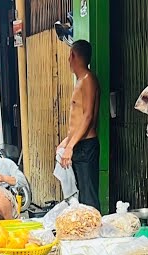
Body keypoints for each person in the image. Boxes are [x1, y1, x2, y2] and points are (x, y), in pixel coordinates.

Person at [59, 39, 100, 211]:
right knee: (80, 196)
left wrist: (70, 146)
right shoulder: (81, 80)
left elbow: (88, 116)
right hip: (78, 144)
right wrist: (66, 142)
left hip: (85, 146)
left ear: (73, 56)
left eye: (70, 56)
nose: (69, 60)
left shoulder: (88, 79)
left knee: (88, 196)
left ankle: (94, 233)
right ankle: (85, 231)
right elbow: (77, 119)